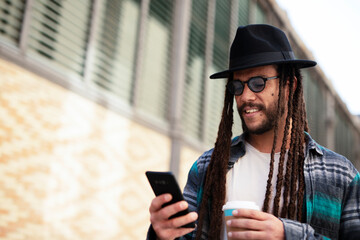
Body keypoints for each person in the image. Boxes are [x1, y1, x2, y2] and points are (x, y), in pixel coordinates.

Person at [147, 24, 360, 240]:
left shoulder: (340, 174)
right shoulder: (208, 167)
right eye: (237, 86)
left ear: (290, 86)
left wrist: (288, 235)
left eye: (258, 83)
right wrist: (162, 234)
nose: (246, 96)